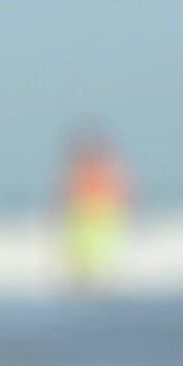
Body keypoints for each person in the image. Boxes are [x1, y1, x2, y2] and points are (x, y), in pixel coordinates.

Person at [56, 122, 131, 291]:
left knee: (101, 255)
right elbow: (66, 192)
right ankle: (86, 285)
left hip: (100, 213)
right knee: (83, 257)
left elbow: (120, 189)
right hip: (84, 213)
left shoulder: (103, 166)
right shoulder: (80, 167)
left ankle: (101, 285)